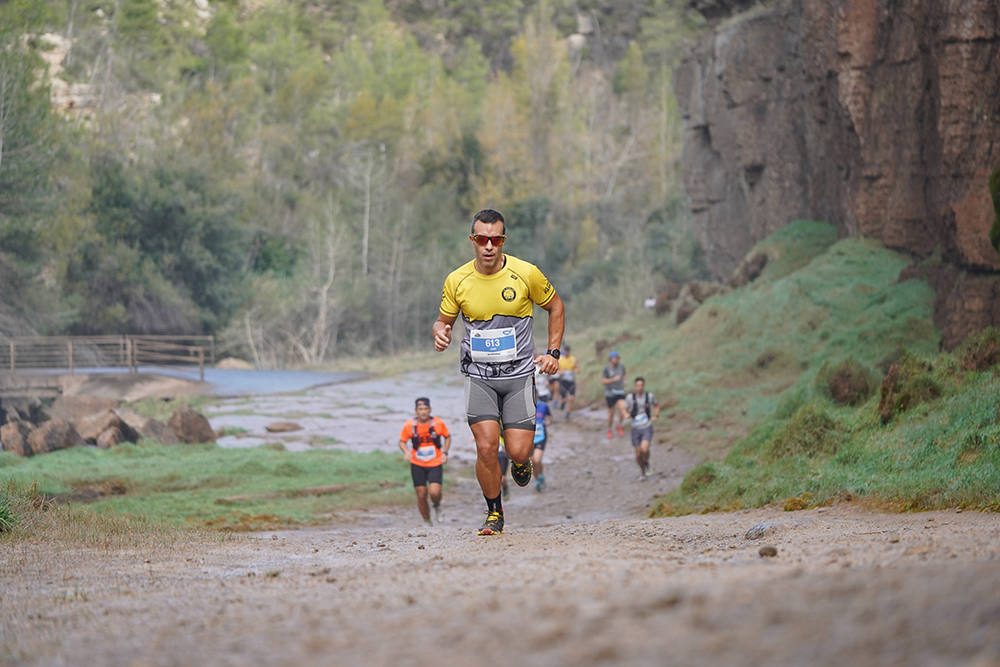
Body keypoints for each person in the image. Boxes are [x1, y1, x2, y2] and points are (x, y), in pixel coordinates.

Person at [433, 208, 565, 536]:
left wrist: (553, 353)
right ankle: (494, 511)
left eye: (496, 239)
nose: (489, 246)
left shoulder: (526, 273)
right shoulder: (457, 280)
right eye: (482, 239)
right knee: (487, 447)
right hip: (479, 377)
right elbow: (444, 321)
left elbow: (556, 306)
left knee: (518, 450)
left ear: (503, 240)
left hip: (519, 375)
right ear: (472, 241)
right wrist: (440, 331)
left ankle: (520, 461)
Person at [397, 397, 451, 525]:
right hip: (417, 463)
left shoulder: (437, 423)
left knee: (434, 492)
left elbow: (447, 437)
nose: (423, 412)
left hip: (435, 462)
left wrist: (445, 452)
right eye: (420, 409)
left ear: (430, 410)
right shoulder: (410, 425)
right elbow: (402, 441)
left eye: (425, 409)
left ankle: (437, 505)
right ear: (416, 410)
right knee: (421, 495)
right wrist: (406, 452)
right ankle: (427, 521)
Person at [622, 377, 660, 479]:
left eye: (641, 385)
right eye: (638, 386)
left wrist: (656, 415)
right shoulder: (630, 398)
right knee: (638, 453)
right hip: (635, 428)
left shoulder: (649, 396)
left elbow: (657, 406)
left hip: (646, 426)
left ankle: (646, 463)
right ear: (635, 386)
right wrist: (625, 414)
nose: (640, 387)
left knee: (645, 449)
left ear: (644, 386)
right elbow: (624, 408)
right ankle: (643, 471)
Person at [601, 350, 627, 439]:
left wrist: (624, 381)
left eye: (617, 358)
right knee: (611, 413)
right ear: (610, 359)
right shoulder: (607, 369)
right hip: (610, 393)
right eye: (614, 358)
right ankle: (609, 429)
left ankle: (619, 425)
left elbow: (624, 376)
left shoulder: (621, 367)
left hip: (620, 391)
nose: (615, 360)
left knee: (623, 410)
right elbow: (603, 381)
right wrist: (613, 379)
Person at [532, 396, 552, 491]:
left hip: (541, 437)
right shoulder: (523, 407)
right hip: (528, 439)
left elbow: (549, 415)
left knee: (537, 460)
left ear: (537, 396)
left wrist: (548, 421)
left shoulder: (543, 406)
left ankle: (540, 476)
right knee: (532, 463)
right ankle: (538, 480)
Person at [554, 343, 579, 419]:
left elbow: (577, 369)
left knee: (571, 398)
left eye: (568, 351)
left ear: (570, 351)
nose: (567, 352)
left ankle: (568, 413)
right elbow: (556, 370)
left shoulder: (573, 359)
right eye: (566, 351)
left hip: (571, 382)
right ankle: (562, 403)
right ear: (564, 351)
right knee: (564, 399)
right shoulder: (560, 359)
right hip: (563, 382)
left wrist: (575, 371)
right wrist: (560, 372)